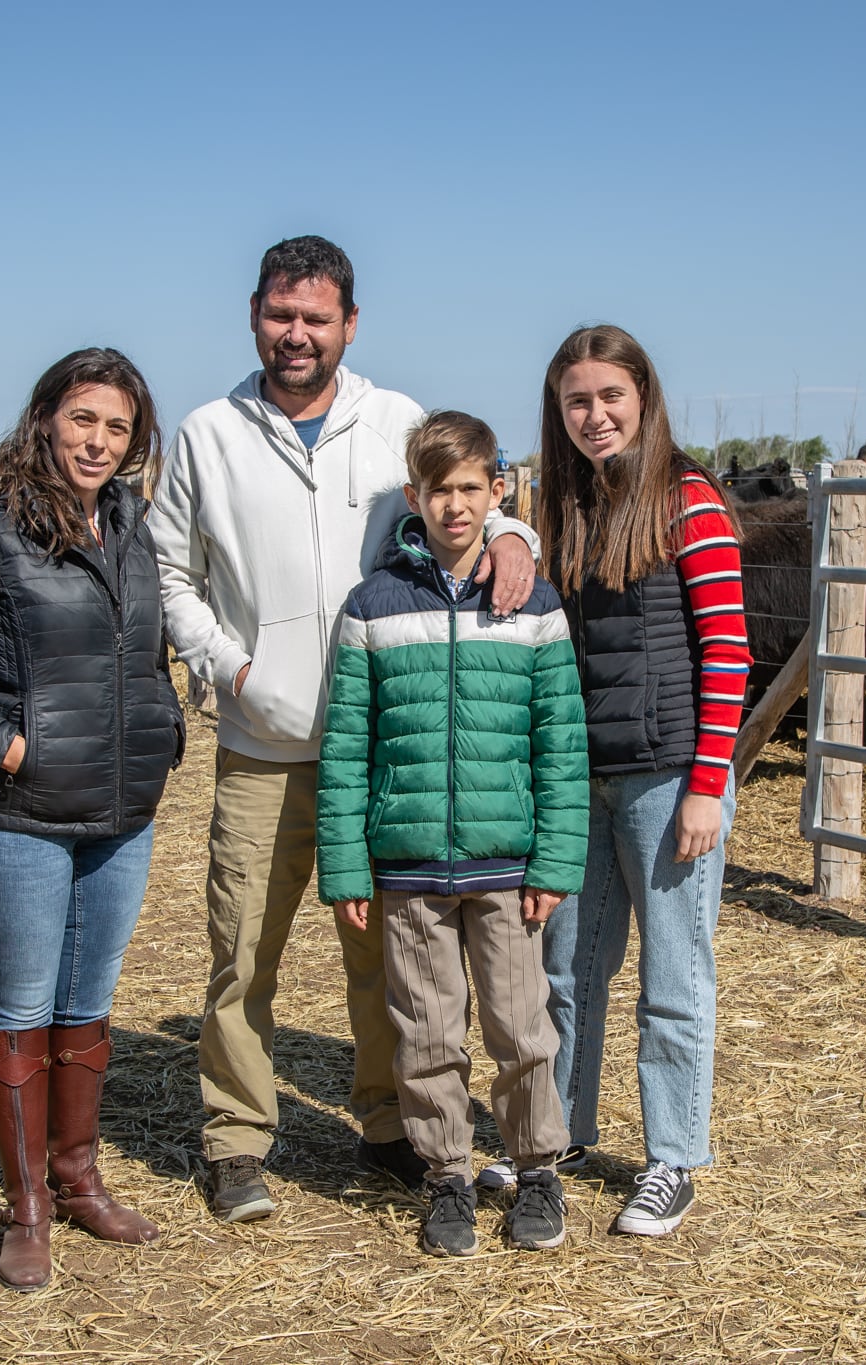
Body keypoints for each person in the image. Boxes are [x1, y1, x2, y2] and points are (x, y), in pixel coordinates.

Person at [150, 235, 540, 1222]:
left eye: (315, 318)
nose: (296, 334)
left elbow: (464, 503)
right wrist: (231, 670)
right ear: (253, 315)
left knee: (390, 957)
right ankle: (236, 1140)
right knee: (243, 949)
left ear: (348, 325)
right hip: (260, 741)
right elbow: (169, 576)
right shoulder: (208, 434)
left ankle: (388, 1126)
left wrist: (511, 536)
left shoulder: (393, 421)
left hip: (388, 749)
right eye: (281, 316)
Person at [0, 348, 184, 1291]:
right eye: (83, 418)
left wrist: (162, 723)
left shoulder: (130, 525)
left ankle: (79, 1175)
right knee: (21, 1005)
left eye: (118, 427)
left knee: (87, 1005)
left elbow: (143, 651)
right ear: (46, 416)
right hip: (16, 814)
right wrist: (4, 744)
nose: (98, 441)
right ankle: (26, 1209)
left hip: (121, 811)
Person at [317, 410, 589, 1257]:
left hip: (506, 863)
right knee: (427, 1031)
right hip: (405, 865)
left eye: (472, 488)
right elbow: (347, 743)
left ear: (497, 493)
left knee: (520, 1025)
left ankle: (538, 1168)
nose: (456, 505)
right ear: (415, 496)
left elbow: (561, 741)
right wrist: (348, 867)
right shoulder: (373, 605)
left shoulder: (533, 604)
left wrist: (555, 858)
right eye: (440, 490)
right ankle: (446, 1177)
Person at [529, 324, 751, 1238]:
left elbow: (729, 650)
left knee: (673, 971)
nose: (594, 415)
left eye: (610, 396)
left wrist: (709, 781)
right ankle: (560, 1132)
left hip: (668, 776)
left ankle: (672, 1158)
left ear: (644, 397)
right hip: (586, 774)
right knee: (567, 967)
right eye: (576, 400)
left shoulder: (687, 499)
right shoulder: (565, 508)